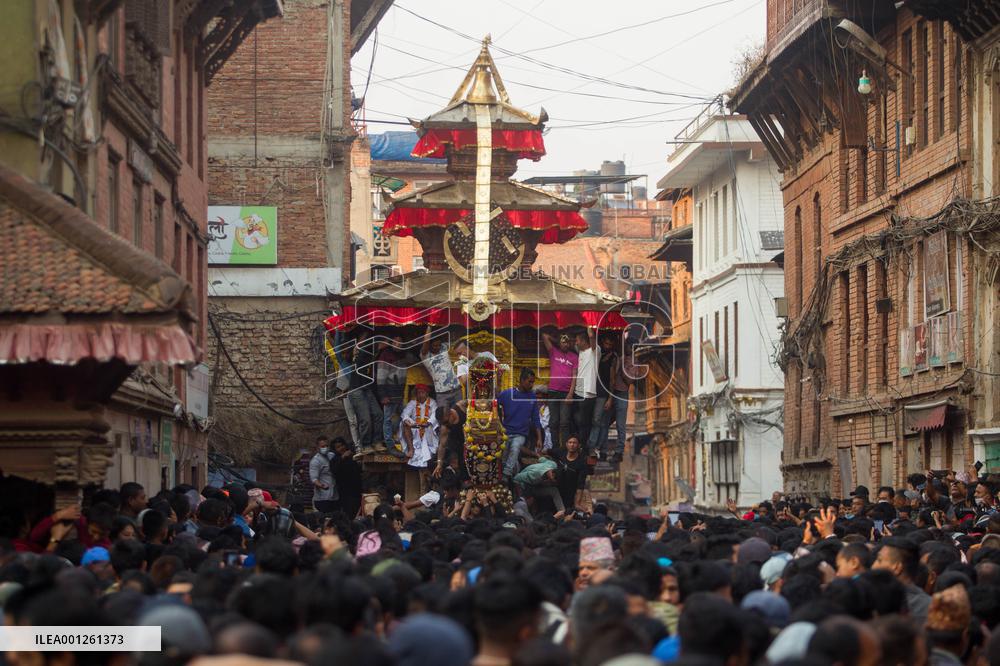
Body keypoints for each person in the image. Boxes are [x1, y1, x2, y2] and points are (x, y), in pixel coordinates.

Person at [497, 368, 543, 480]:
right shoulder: (508, 394)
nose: (532, 385)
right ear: (522, 380)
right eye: (529, 382)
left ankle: (506, 476)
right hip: (506, 432)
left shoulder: (532, 396)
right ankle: (507, 477)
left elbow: (536, 418)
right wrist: (498, 379)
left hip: (521, 434)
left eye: (533, 382)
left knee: (516, 447)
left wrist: (539, 438)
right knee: (504, 456)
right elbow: (495, 399)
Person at [347, 328, 385, 455]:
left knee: (378, 414)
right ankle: (366, 445)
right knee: (365, 419)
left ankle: (376, 442)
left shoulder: (372, 354)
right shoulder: (361, 352)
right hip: (356, 390)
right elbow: (361, 346)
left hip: (366, 388)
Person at [541, 331, 578, 450]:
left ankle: (565, 449)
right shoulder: (554, 352)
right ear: (560, 343)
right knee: (553, 422)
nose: (565, 345)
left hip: (566, 393)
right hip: (553, 391)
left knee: (564, 423)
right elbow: (545, 335)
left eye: (567, 343)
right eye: (563, 342)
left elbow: (575, 376)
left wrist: (570, 394)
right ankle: (555, 448)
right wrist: (557, 340)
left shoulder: (574, 357)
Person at [400, 384, 439, 489]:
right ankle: (411, 449)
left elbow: (435, 416)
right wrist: (410, 422)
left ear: (427, 393)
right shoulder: (412, 403)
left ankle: (427, 484)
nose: (420, 395)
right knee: (404, 424)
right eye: (418, 393)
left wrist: (427, 423)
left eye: (422, 392)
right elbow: (405, 414)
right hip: (414, 429)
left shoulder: (433, 403)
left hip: (428, 430)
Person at [376, 335, 409, 459]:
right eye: (396, 341)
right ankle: (390, 445)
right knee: (388, 420)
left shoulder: (403, 355)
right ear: (391, 342)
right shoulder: (385, 356)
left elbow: (413, 360)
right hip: (389, 394)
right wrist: (383, 395)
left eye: (400, 341)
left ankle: (397, 439)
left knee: (404, 416)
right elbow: (380, 377)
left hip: (399, 394)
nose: (398, 344)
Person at [569, 329, 599, 453]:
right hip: (577, 392)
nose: (576, 343)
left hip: (588, 393)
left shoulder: (595, 352)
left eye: (577, 341)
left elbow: (592, 342)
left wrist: (591, 334)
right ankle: (576, 444)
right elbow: (568, 343)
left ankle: (583, 448)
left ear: (583, 341)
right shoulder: (580, 352)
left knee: (583, 423)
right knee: (574, 420)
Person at [421, 325, 462, 409]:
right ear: (429, 346)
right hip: (442, 394)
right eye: (435, 346)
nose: (438, 347)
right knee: (443, 418)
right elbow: (426, 342)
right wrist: (429, 326)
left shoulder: (444, 347)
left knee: (459, 416)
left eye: (439, 345)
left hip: (456, 390)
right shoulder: (425, 355)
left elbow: (456, 341)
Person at [434, 399, 468, 481]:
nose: (445, 425)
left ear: (451, 414)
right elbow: (442, 446)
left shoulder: (461, 406)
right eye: (443, 423)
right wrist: (439, 463)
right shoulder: (445, 427)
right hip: (459, 446)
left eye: (446, 421)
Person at [553, 434, 588, 513]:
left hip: (569, 494)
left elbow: (580, 484)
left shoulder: (581, 463)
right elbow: (547, 451)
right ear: (566, 444)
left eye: (574, 443)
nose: (572, 445)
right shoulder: (560, 453)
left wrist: (577, 503)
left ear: (579, 445)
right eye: (570, 442)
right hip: (555, 489)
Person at [331, 438, 363, 519]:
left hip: (357, 491)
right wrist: (342, 457)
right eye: (338, 447)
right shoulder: (334, 460)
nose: (341, 448)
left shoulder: (352, 457)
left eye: (342, 445)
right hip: (345, 494)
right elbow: (335, 470)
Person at [309, 436, 338, 514]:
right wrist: (322, 486)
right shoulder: (315, 461)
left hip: (335, 496)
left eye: (327, 446)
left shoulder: (332, 455)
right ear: (318, 447)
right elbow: (314, 479)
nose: (325, 448)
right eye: (322, 446)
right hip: (323, 498)